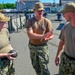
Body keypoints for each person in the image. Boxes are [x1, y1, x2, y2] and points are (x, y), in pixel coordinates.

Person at [26, 2, 54, 75]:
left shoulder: (47, 21)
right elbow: (30, 34)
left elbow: (51, 34)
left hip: (42, 47)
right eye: (38, 10)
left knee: (44, 67)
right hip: (32, 47)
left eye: (42, 10)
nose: (40, 12)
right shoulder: (30, 21)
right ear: (34, 11)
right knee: (36, 66)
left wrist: (49, 37)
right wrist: (43, 36)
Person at [55, 2, 75, 75]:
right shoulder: (65, 27)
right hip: (65, 60)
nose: (63, 16)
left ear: (71, 14)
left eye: (64, 13)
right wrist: (57, 55)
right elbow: (61, 42)